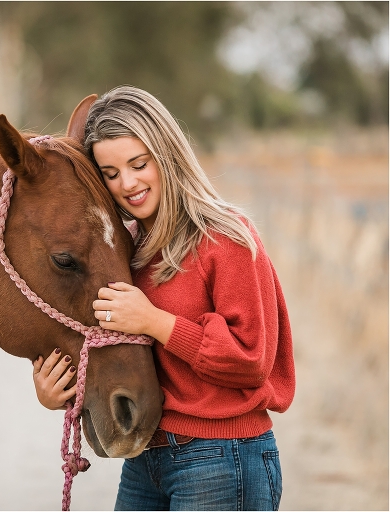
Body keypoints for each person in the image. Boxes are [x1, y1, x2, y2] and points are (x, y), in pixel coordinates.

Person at [32, 86, 295, 511]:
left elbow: (251, 359)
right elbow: (112, 352)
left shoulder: (225, 239)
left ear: (167, 154)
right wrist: (59, 390)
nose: (128, 183)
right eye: (111, 173)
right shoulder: (126, 249)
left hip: (222, 457)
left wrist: (154, 321)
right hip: (147, 459)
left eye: (139, 164)